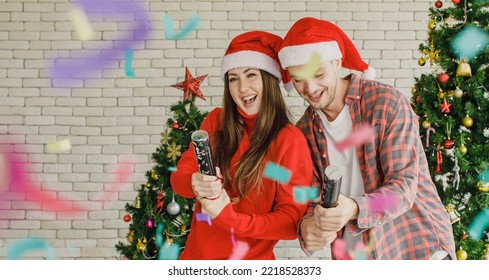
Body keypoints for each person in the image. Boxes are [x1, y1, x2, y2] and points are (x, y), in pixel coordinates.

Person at [277, 17, 456, 260]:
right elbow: (310, 198)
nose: (309, 88)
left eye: (318, 74)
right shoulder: (304, 132)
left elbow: (403, 188)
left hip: (417, 249)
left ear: (337, 61)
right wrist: (308, 228)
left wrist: (354, 207)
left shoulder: (386, 104)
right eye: (298, 79)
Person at [170, 31, 313, 259]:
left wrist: (228, 218)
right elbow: (180, 178)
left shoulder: (289, 140)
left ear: (269, 78)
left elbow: (290, 222)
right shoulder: (215, 121)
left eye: (250, 75)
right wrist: (193, 181)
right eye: (233, 78)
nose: (242, 87)